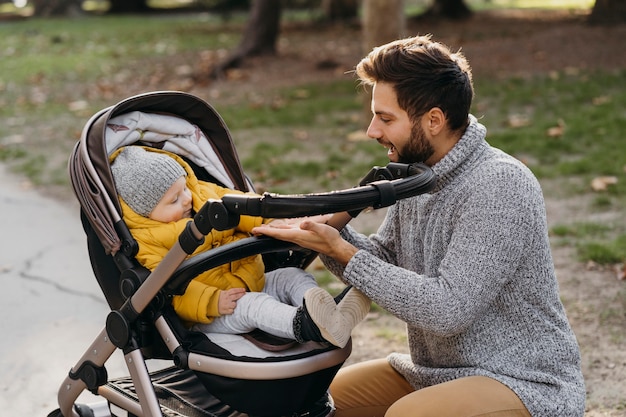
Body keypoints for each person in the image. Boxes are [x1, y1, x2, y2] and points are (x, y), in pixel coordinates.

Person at [251, 35, 586, 416]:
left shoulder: (499, 185)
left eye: (385, 118)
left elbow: (448, 309)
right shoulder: (419, 177)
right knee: (313, 401)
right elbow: (385, 260)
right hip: (435, 373)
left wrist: (341, 249)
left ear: (434, 120)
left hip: (523, 384)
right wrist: (327, 234)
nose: (372, 131)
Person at [109, 145, 370, 349]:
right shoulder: (146, 241)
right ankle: (306, 325)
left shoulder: (201, 194)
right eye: (174, 199)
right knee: (255, 306)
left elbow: (241, 206)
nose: (187, 198)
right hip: (214, 311)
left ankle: (329, 314)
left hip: (250, 278)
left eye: (184, 188)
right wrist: (212, 301)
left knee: (292, 276)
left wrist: (271, 219)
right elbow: (166, 287)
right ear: (146, 212)